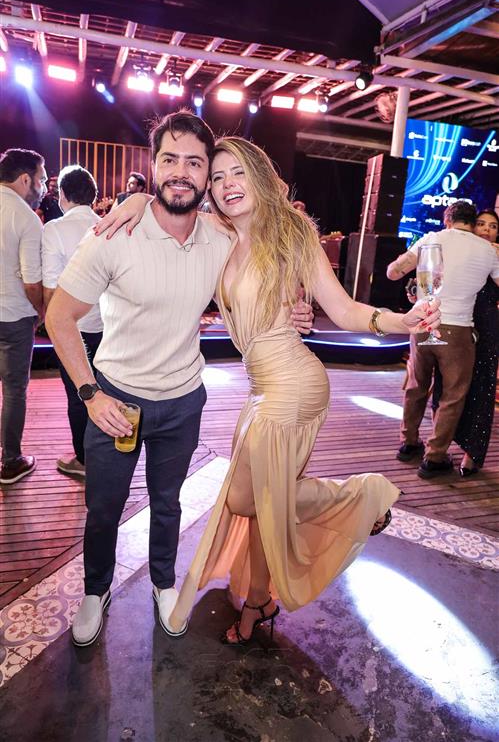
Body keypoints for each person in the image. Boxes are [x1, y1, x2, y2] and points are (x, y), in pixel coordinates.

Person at [103, 136, 441, 645]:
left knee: (258, 498)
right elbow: (166, 209)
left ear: (259, 175)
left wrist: (401, 320)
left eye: (237, 172)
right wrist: (135, 200)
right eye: (218, 177)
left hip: (293, 384)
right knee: (252, 498)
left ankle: (328, 530)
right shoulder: (218, 232)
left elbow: (344, 309)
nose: (227, 185)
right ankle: (324, 532)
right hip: (260, 387)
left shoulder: (291, 233)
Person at [45, 112, 313, 647]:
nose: (181, 172)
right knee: (104, 508)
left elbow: (268, 238)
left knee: (168, 503)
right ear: (154, 165)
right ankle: (95, 590)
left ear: (207, 174)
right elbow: (58, 317)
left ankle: (163, 583)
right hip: (116, 401)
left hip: (184, 401)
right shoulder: (113, 235)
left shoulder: (219, 235)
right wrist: (90, 395)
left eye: (195, 163)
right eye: (170, 159)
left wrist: (291, 308)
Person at [387, 201, 499, 480]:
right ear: (472, 223)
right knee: (453, 395)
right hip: (457, 331)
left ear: (447, 219)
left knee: (416, 385)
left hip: (424, 324)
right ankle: (434, 457)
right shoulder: (487, 250)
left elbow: (393, 272)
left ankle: (408, 443)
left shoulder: (431, 239)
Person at [42, 165, 103, 477]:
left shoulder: (54, 230)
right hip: (107, 326)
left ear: (62, 195)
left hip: (72, 327)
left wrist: (49, 324)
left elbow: (50, 288)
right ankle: (104, 454)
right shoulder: (107, 225)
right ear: (93, 195)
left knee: (79, 394)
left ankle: (84, 460)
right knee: (105, 391)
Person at [432, 209, 498, 475]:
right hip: (456, 326)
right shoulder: (461, 251)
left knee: (481, 389)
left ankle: (472, 454)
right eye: (481, 224)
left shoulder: (494, 256)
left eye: (493, 226)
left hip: (486, 329)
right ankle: (439, 448)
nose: (486, 229)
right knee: (446, 387)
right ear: (471, 226)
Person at [0, 148, 47, 484]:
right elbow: (32, 282)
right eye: (41, 179)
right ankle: (11, 461)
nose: (43, 187)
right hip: (14, 316)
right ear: (25, 179)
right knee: (14, 390)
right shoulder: (26, 218)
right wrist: (42, 311)